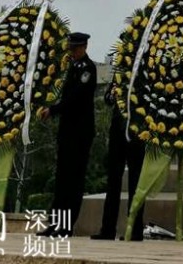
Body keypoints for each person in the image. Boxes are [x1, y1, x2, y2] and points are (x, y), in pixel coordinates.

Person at [38, 31, 97, 237]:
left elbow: (75, 98)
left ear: (84, 47)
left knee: (73, 180)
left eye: (75, 48)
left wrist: (53, 109)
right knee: (62, 179)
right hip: (67, 130)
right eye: (71, 48)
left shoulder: (88, 69)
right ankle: (55, 223)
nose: (72, 52)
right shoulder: (71, 67)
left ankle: (66, 225)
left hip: (80, 132)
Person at [90, 76, 146, 241]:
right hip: (117, 129)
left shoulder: (143, 70)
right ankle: (107, 229)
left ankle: (135, 230)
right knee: (113, 180)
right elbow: (108, 98)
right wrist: (112, 94)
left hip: (137, 129)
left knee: (135, 181)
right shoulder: (119, 72)